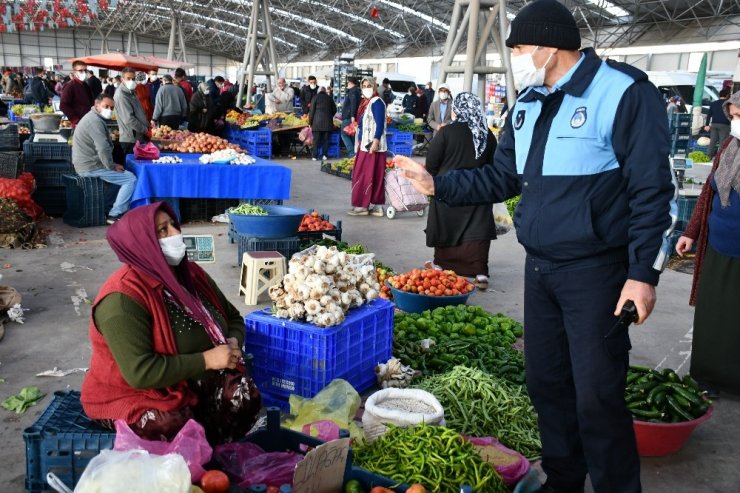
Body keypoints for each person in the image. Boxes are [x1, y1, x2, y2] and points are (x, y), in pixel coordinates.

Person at [394, 1, 675, 491]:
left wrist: (642, 274)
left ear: (549, 44)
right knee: (547, 385)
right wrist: (438, 184)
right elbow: (503, 177)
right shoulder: (527, 103)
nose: (521, 56)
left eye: (523, 47)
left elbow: (653, 191)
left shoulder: (624, 92)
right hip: (541, 270)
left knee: (598, 396)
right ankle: (563, 480)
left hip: (598, 273)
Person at [81, 202, 261, 444]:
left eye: (173, 226)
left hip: (188, 378)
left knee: (243, 395)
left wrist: (233, 340)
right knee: (172, 424)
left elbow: (233, 317)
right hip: (133, 393)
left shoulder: (191, 274)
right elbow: (140, 373)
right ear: (139, 244)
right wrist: (207, 359)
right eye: (162, 231)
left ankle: (220, 454)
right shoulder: (121, 301)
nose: (177, 234)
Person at [676, 90, 740, 398]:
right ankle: (707, 377)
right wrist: (691, 231)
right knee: (713, 315)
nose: (735, 121)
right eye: (734, 115)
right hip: (717, 244)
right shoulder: (728, 145)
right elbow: (708, 194)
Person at [425, 92, 497, 289]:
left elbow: (431, 162)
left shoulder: (447, 132)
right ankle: (480, 273)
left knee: (446, 226)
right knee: (477, 228)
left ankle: (442, 265)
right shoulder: (486, 134)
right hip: (478, 190)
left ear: (456, 110)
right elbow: (495, 164)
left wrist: (433, 179)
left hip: (448, 190)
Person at [72, 94, 138, 224]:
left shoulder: (93, 118)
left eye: (111, 107)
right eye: (106, 106)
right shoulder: (94, 121)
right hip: (90, 166)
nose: (109, 109)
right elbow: (103, 148)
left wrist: (112, 165)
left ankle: (108, 207)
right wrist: (111, 166)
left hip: (89, 163)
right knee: (130, 179)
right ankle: (115, 214)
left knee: (119, 177)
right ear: (97, 106)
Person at [348, 77, 386, 217]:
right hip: (365, 145)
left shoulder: (376, 102)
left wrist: (375, 141)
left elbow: (380, 124)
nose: (366, 88)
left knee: (364, 175)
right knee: (373, 175)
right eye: (364, 85)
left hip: (372, 146)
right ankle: (376, 206)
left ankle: (363, 206)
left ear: (375, 87)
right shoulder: (366, 103)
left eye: (369, 85)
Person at [114, 67, 149, 158]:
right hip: (130, 138)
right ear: (122, 79)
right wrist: (145, 130)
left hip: (137, 136)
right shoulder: (121, 95)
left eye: (133, 79)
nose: (131, 81)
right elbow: (129, 119)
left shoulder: (131, 92)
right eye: (128, 78)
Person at [61, 61, 95, 126]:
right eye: (80, 71)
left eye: (85, 70)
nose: (84, 73)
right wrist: (75, 120)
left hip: (87, 120)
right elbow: (63, 105)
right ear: (74, 72)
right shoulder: (70, 86)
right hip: (78, 123)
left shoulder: (85, 85)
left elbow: (91, 102)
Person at [308, 87, 337, 161]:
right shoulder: (329, 98)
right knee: (326, 140)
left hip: (316, 123)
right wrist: (330, 115)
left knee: (316, 140)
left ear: (318, 91)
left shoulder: (315, 98)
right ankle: (325, 155)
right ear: (325, 91)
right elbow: (335, 109)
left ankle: (314, 156)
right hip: (327, 123)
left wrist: (310, 122)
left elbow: (311, 112)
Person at [703, 88, 731, 158]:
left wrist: (706, 125)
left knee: (712, 141)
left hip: (714, 124)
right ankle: (720, 157)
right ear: (727, 95)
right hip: (724, 125)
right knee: (722, 142)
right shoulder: (728, 104)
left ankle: (708, 156)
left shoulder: (713, 103)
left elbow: (709, 115)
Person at [340, 77, 361, 158]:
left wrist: (352, 116)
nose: (347, 84)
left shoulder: (353, 92)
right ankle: (354, 152)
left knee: (344, 134)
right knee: (351, 134)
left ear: (352, 83)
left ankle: (351, 152)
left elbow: (353, 104)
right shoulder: (354, 91)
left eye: (348, 83)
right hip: (350, 116)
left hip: (349, 117)